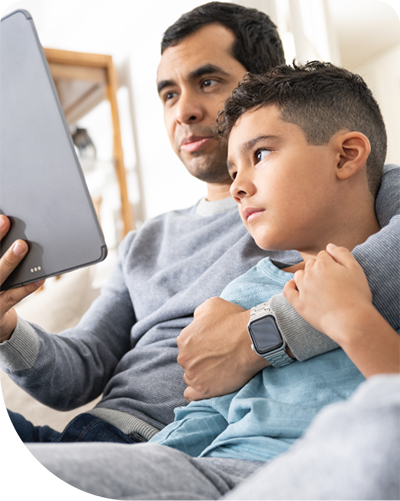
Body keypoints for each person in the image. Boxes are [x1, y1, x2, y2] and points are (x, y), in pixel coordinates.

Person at [0, 2, 399, 444]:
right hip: (84, 435)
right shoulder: (144, 242)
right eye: (168, 94)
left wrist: (256, 337)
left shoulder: (316, 201)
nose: (183, 111)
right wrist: (7, 329)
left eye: (207, 82)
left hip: (177, 443)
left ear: (265, 84)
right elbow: (79, 370)